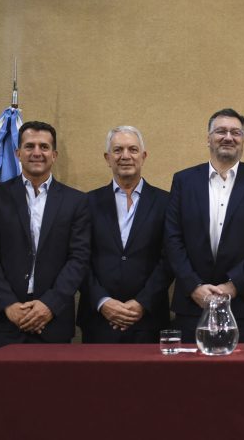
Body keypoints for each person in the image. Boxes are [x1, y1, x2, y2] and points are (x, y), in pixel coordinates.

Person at [0, 121, 90, 352]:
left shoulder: (76, 201)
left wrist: (49, 305)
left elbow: (79, 258)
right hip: (3, 320)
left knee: (52, 389)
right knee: (0, 389)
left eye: (44, 147)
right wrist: (9, 305)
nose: (37, 152)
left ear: (54, 155)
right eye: (29, 146)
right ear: (18, 153)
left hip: (52, 319)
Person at [165, 108, 244, 343]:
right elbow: (172, 238)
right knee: (192, 377)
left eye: (236, 132)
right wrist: (194, 286)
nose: (228, 137)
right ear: (208, 138)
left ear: (243, 139)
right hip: (192, 302)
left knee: (243, 377)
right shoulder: (184, 180)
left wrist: (233, 285)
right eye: (221, 131)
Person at [78, 126, 173, 343]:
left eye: (133, 149)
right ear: (107, 158)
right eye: (118, 150)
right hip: (98, 320)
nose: (126, 156)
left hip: (149, 319)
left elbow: (169, 260)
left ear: (143, 156)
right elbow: (78, 258)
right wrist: (103, 301)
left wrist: (142, 303)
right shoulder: (86, 203)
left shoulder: (166, 203)